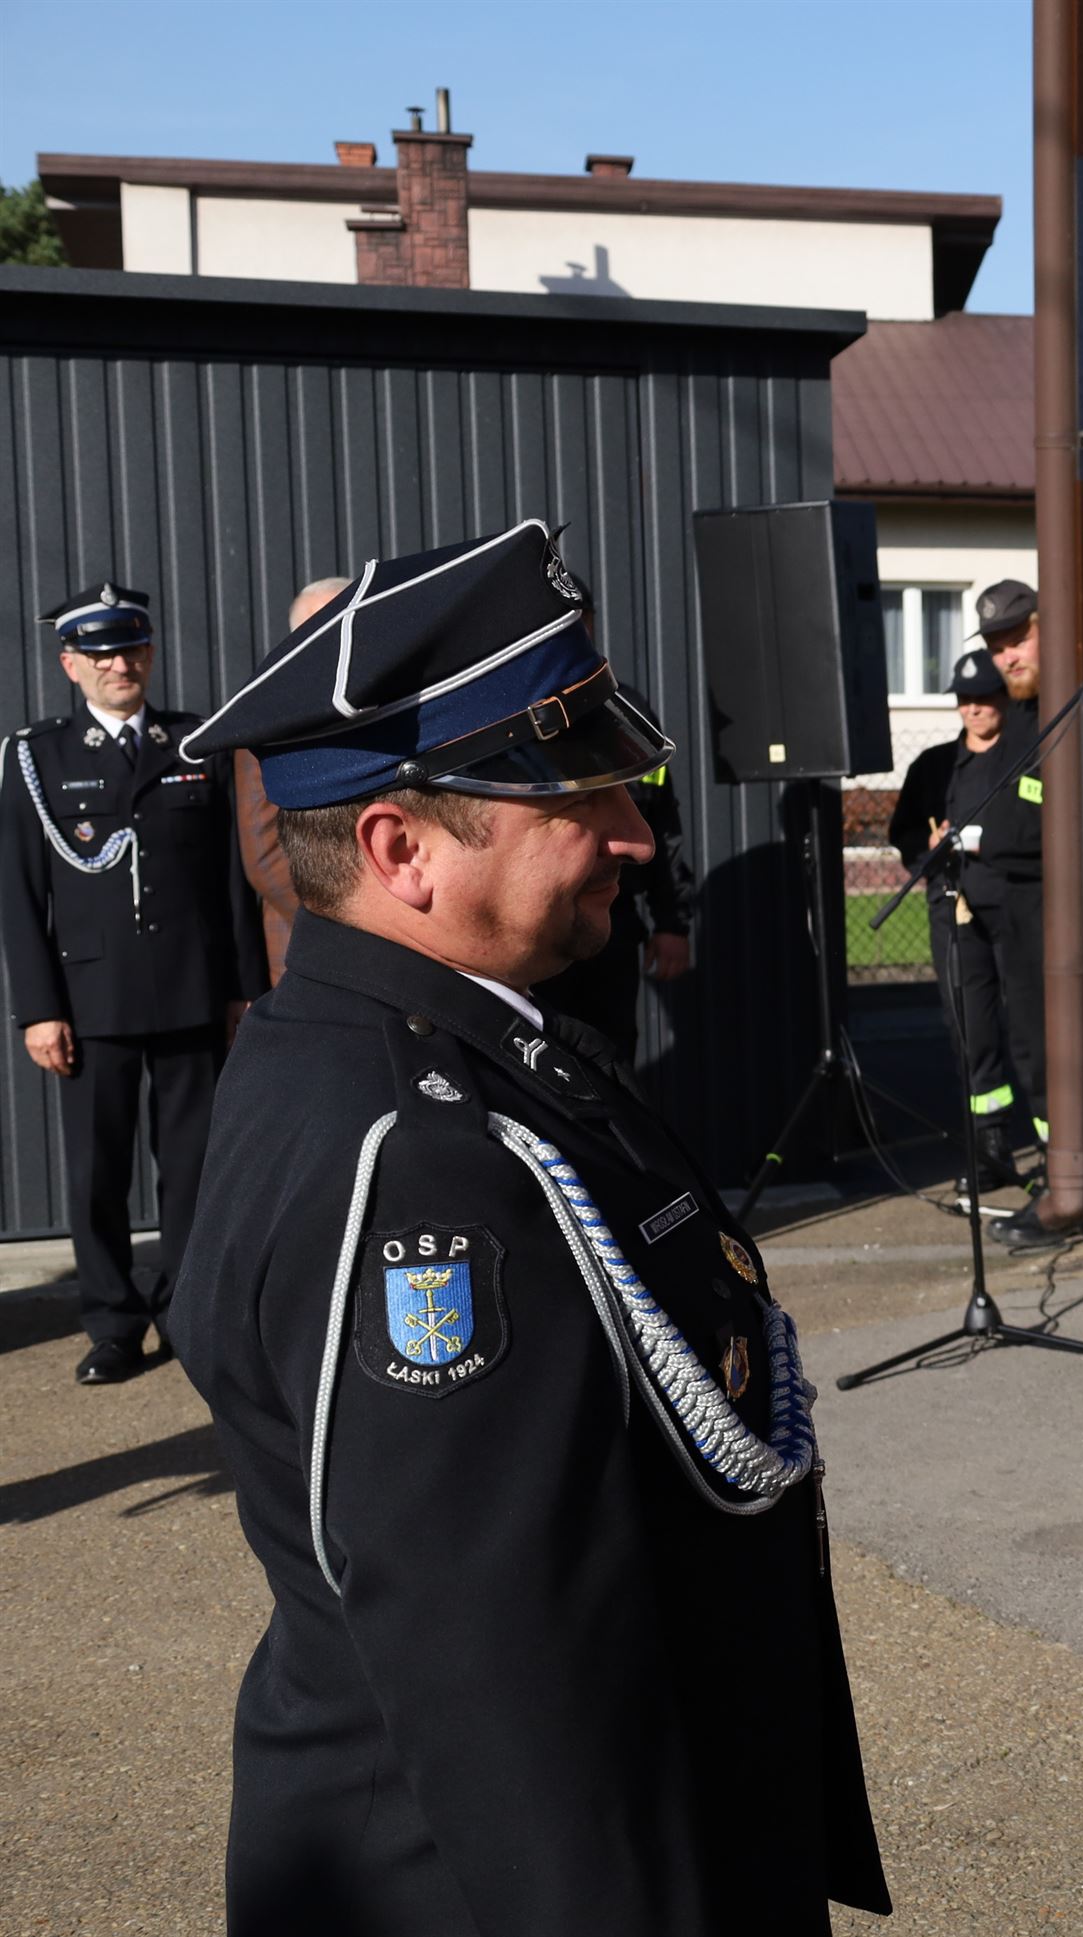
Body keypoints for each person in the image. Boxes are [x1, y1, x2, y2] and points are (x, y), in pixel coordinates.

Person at [170, 520, 888, 1935]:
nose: (636, 833)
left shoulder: (434, 1048)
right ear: (400, 849)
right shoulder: (428, 1165)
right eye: (578, 799)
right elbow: (503, 1677)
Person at [3, 580, 266, 1385]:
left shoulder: (195, 743)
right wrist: (38, 1009)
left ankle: (187, 1310)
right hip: (93, 1001)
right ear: (70, 664)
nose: (122, 664)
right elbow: (18, 894)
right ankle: (113, 1323)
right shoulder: (37, 757)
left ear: (150, 653)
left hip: (192, 989)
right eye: (104, 654)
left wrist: (244, 988)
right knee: (97, 1173)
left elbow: (232, 882)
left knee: (193, 1168)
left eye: (134, 649)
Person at [887, 612, 1057, 1246]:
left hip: (1017, 910)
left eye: (983, 697)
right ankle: (989, 1151)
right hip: (954, 913)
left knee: (1032, 1035)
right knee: (972, 1030)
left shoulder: (1024, 752)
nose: (973, 709)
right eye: (963, 700)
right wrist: (926, 850)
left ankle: (1054, 1157)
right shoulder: (935, 765)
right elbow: (904, 832)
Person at [534, 765, 696, 1064]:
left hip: (614, 921)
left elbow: (663, 835)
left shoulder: (637, 739)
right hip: (541, 919)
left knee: (612, 1047)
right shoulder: (537, 737)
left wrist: (672, 924)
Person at [230, 575, 351, 976]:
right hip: (312, 939)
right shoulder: (267, 717)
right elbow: (265, 856)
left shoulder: (397, 700)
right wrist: (355, 919)